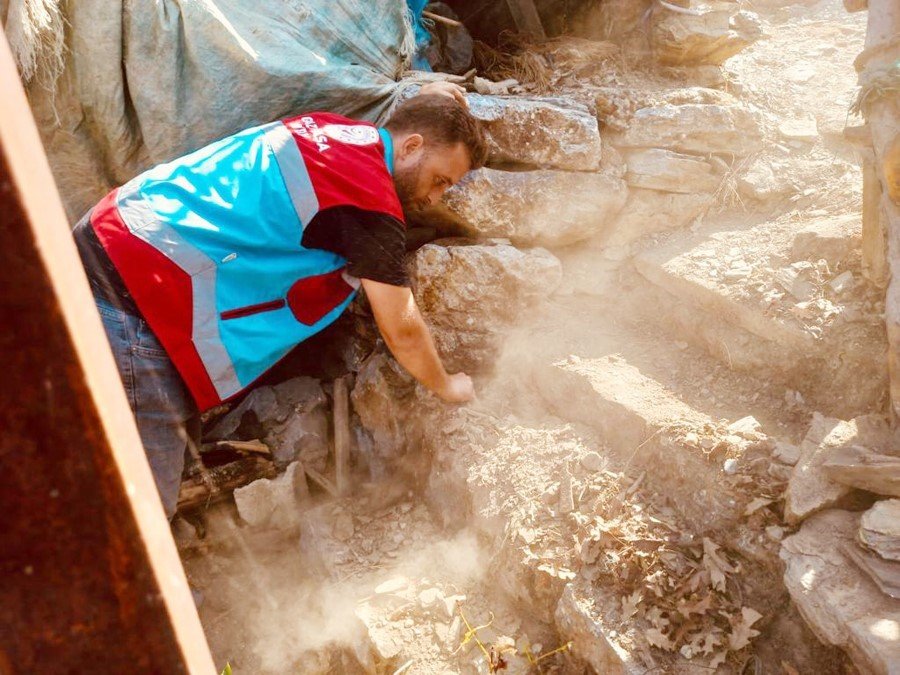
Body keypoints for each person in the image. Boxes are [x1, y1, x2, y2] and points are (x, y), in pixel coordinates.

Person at [72, 83, 488, 519]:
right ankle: (116, 582)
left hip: (111, 233)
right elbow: (400, 326)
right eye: (440, 180)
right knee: (140, 508)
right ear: (412, 146)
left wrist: (436, 94)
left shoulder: (331, 130)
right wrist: (446, 383)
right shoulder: (368, 198)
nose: (435, 197)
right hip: (137, 297)